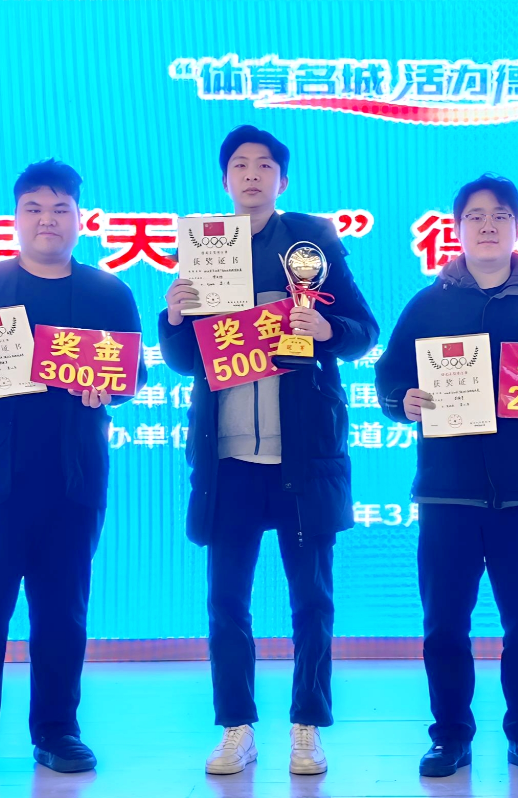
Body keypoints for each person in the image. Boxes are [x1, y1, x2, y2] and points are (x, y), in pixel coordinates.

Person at [158, 126, 379, 776]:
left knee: (311, 600)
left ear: (282, 180)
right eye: (239, 165)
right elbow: (184, 359)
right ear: (225, 179)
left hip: (302, 460)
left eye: (264, 165)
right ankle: (236, 727)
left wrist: (326, 328)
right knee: (226, 601)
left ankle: (307, 726)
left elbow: (364, 331)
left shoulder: (312, 241)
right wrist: (175, 317)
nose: (251, 175)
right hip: (228, 462)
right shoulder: (206, 246)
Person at [0, 159, 146, 781]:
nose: (48, 220)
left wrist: (112, 389)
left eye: (61, 209)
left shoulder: (108, 293)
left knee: (62, 615)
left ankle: (58, 731)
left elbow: (133, 372)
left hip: (72, 485)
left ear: (80, 219)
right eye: (35, 209)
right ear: (16, 217)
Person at [374, 175, 518, 779]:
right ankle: (449, 737)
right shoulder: (428, 304)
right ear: (458, 228)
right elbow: (389, 377)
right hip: (447, 494)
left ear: (517, 226)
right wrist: (403, 401)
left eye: (499, 216)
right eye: (475, 216)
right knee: (444, 626)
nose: (487, 225)